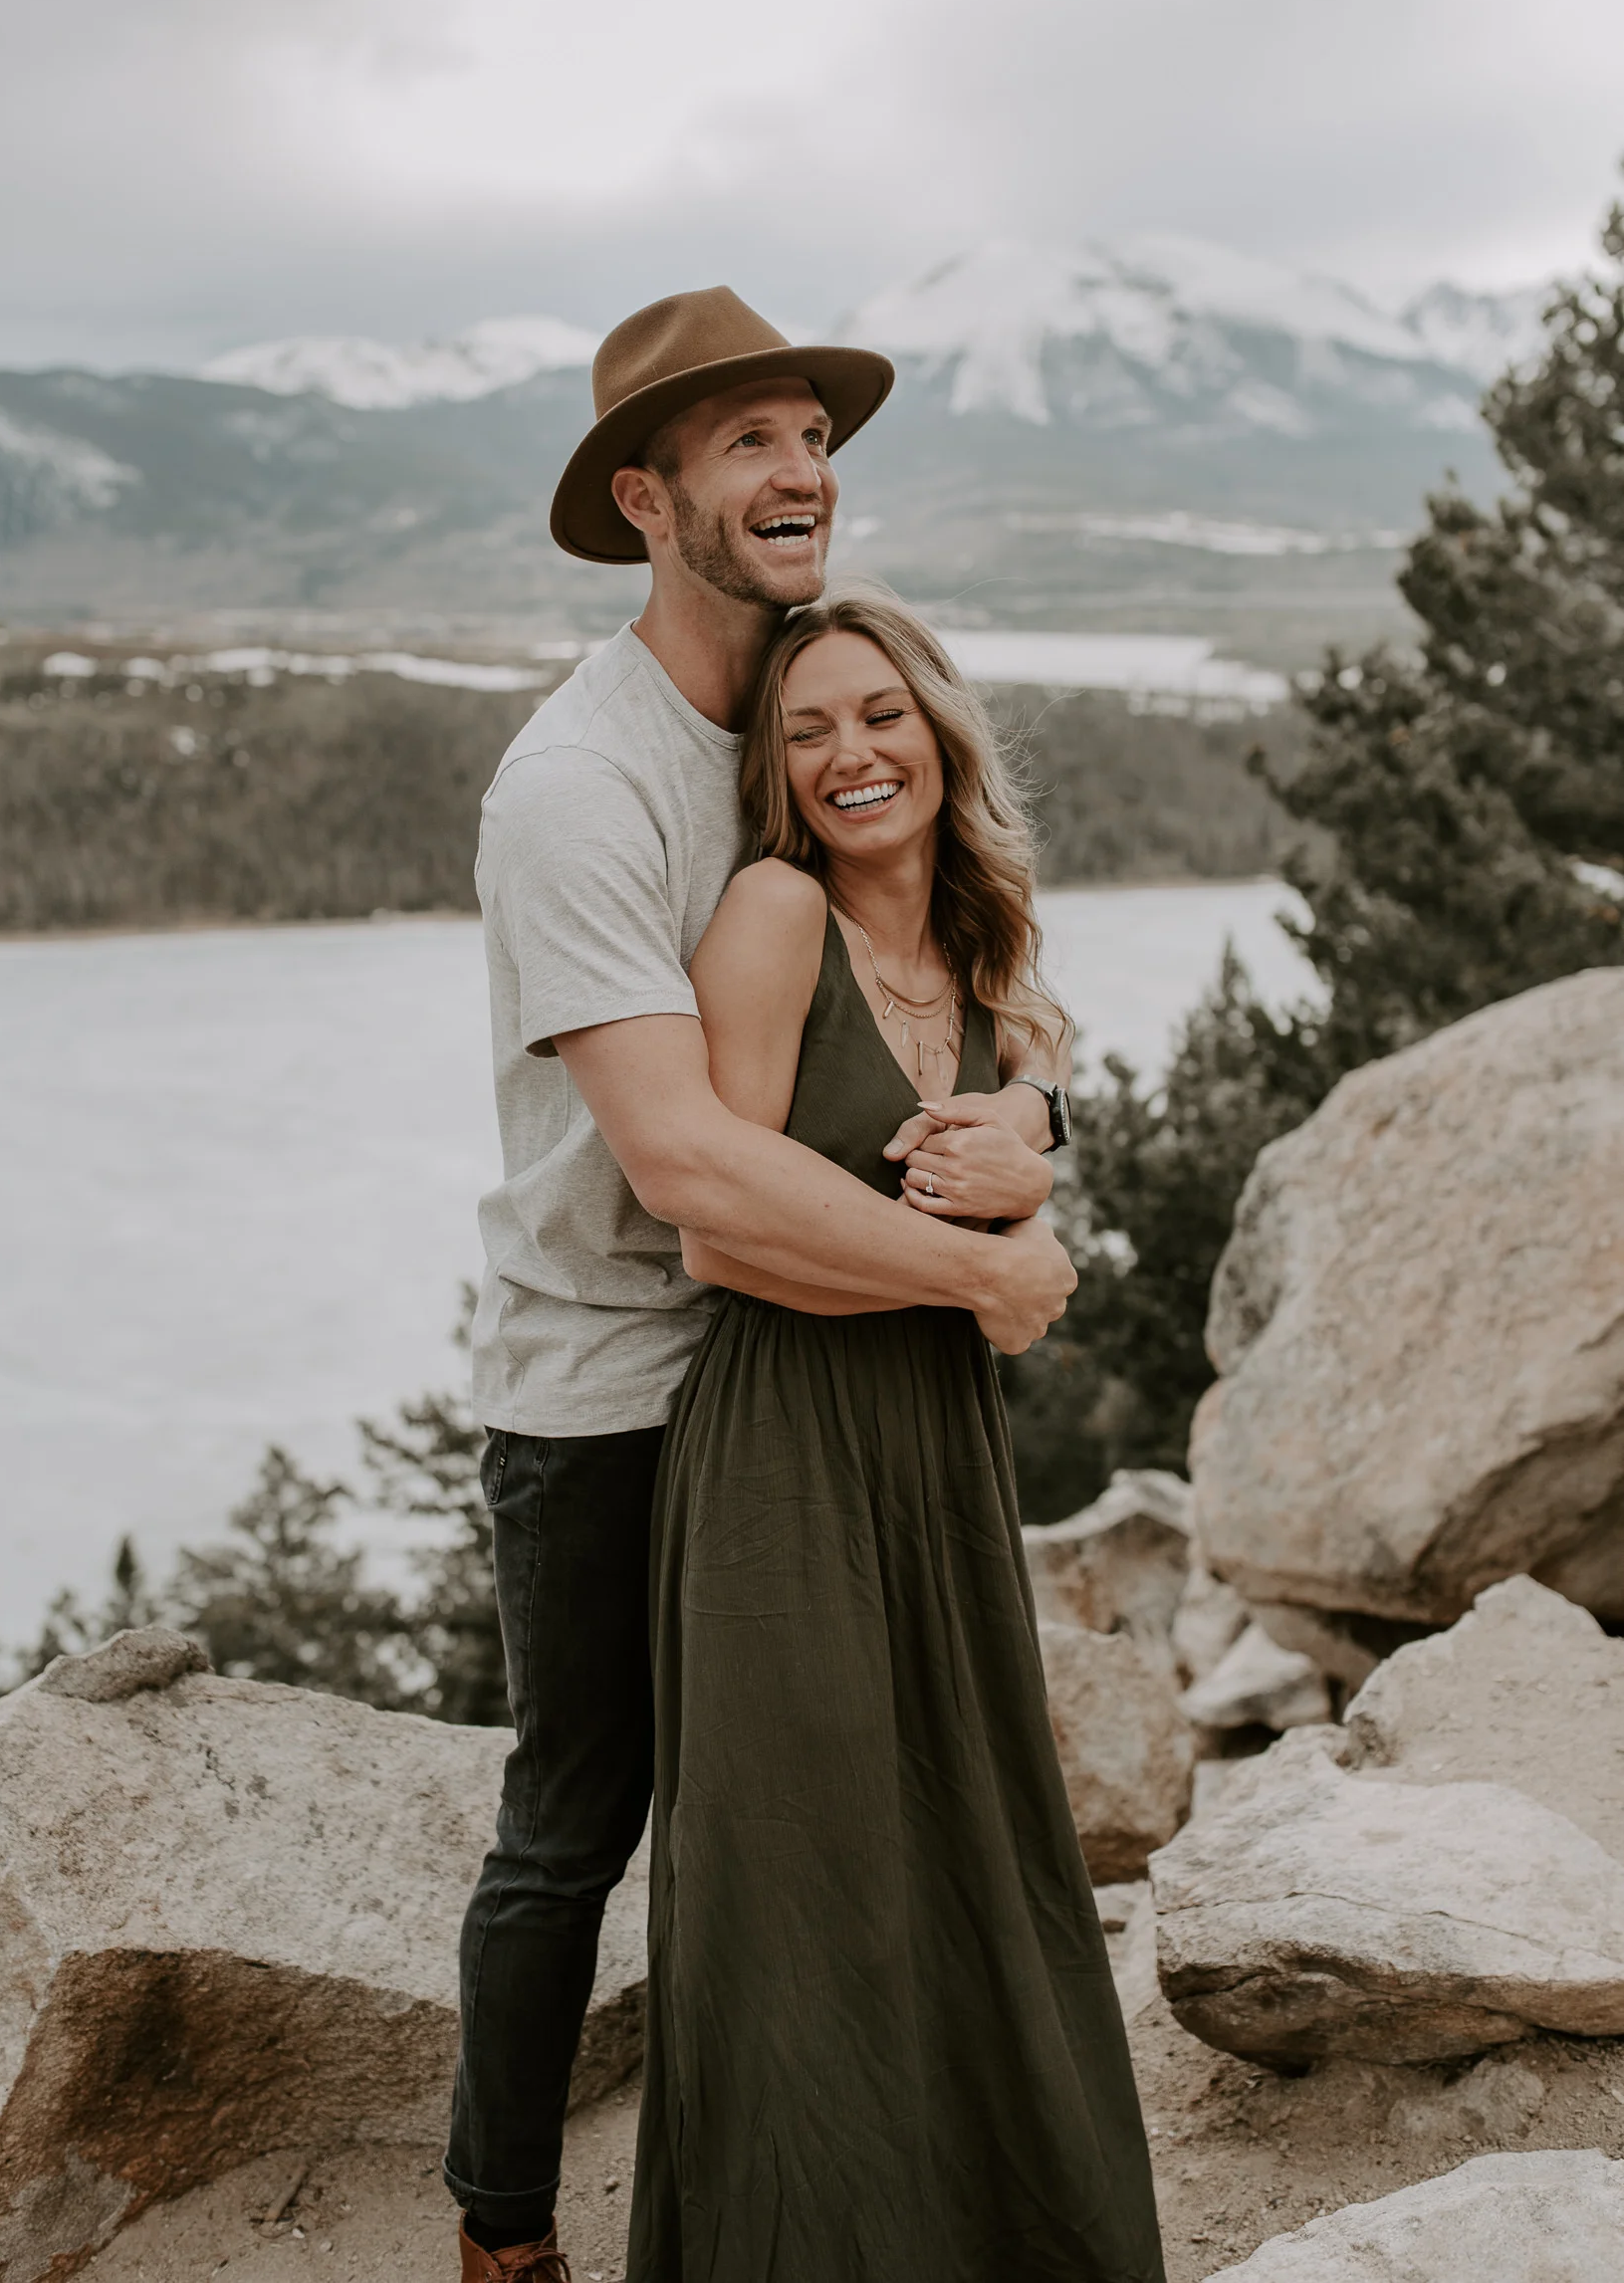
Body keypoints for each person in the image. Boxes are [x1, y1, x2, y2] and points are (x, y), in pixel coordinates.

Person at [451, 288, 1079, 2283]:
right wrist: (991, 1285)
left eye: (812, 431)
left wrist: (1048, 1140)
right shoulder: (581, 785)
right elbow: (691, 1166)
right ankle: (503, 2232)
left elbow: (946, 985)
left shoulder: (811, 709)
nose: (800, 468)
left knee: (835, 1827)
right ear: (648, 499)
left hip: (804, 1385)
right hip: (614, 1388)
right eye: (745, 442)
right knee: (581, 1818)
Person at [626, 590, 1166, 2283]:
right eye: (808, 734)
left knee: (969, 1854)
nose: (852, 755)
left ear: (939, 732)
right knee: (800, 1897)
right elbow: (719, 1230)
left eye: (879, 717)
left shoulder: (987, 947)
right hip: (785, 1448)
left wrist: (1036, 1128)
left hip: (940, 1451)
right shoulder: (776, 913)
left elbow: (1040, 1082)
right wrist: (997, 1273)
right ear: (779, 783)